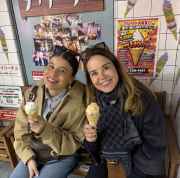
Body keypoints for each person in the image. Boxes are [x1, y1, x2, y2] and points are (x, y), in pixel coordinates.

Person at [81, 42, 166, 178]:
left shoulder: (141, 97)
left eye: (106, 68)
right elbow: (93, 152)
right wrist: (90, 139)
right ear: (90, 79)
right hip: (105, 161)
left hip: (139, 164)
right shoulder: (93, 100)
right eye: (94, 73)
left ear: (116, 67)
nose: (101, 76)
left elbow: (155, 144)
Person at [10, 45, 89, 178]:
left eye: (62, 71)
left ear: (71, 78)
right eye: (51, 66)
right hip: (34, 151)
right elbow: (20, 132)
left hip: (63, 155)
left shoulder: (81, 101)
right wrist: (28, 158)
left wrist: (45, 129)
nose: (52, 74)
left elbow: (74, 143)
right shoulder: (32, 94)